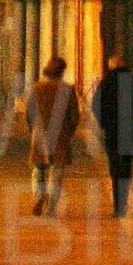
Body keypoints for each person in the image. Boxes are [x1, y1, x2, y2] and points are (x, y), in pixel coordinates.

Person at [92, 54, 133, 219]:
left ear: (111, 66)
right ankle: (123, 203)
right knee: (126, 166)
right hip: (128, 130)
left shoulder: (106, 82)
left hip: (112, 130)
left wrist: (103, 122)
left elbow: (96, 105)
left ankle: (118, 206)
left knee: (114, 167)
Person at [23, 57, 81, 216]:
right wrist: (69, 132)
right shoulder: (68, 89)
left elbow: (28, 113)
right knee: (56, 172)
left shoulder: (36, 88)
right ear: (62, 71)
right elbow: (74, 116)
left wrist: (32, 130)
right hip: (60, 135)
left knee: (38, 170)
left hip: (39, 134)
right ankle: (50, 208)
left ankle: (39, 196)